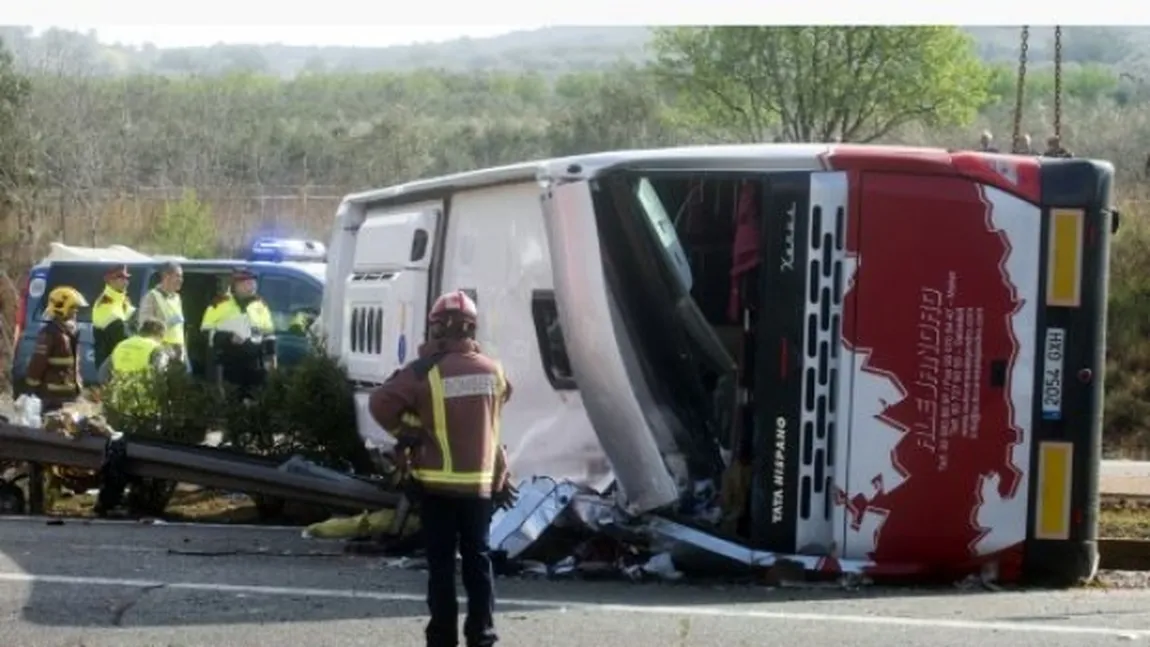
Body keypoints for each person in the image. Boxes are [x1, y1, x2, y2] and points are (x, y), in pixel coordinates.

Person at [368, 290, 517, 647]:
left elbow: (380, 402)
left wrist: (411, 433)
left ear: (436, 328)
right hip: (480, 486)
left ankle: (442, 639)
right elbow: (501, 400)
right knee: (478, 562)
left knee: (441, 567)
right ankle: (482, 636)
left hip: (436, 486)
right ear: (472, 329)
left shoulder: (424, 371)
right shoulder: (494, 371)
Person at [200, 268, 277, 399]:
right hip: (229, 364)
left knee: (254, 404)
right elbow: (205, 333)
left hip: (255, 364)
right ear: (236, 286)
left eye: (253, 283)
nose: (252, 287)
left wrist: (272, 357)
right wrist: (228, 338)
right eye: (247, 284)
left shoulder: (261, 305)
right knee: (231, 403)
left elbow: (269, 333)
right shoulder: (218, 304)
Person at [23, 286, 88, 413]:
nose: (76, 311)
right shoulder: (52, 333)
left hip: (61, 395)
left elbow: (73, 365)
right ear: (62, 308)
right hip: (57, 395)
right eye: (73, 308)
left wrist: (30, 386)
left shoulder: (68, 333)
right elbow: (38, 362)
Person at [138, 261, 188, 370]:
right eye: (178, 276)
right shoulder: (152, 296)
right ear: (166, 276)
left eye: (182, 277)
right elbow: (144, 323)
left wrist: (184, 351)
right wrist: (165, 323)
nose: (181, 280)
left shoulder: (177, 298)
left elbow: (179, 329)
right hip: (161, 348)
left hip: (178, 349)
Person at [96, 320, 171, 384]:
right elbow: (159, 375)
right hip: (144, 397)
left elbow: (102, 375)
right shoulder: (156, 348)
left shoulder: (121, 345)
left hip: (117, 396)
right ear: (160, 336)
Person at [92, 264, 136, 371]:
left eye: (126, 278)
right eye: (120, 277)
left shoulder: (122, 300)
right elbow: (120, 334)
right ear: (109, 280)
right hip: (109, 365)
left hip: (121, 361)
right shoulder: (105, 302)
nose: (126, 281)